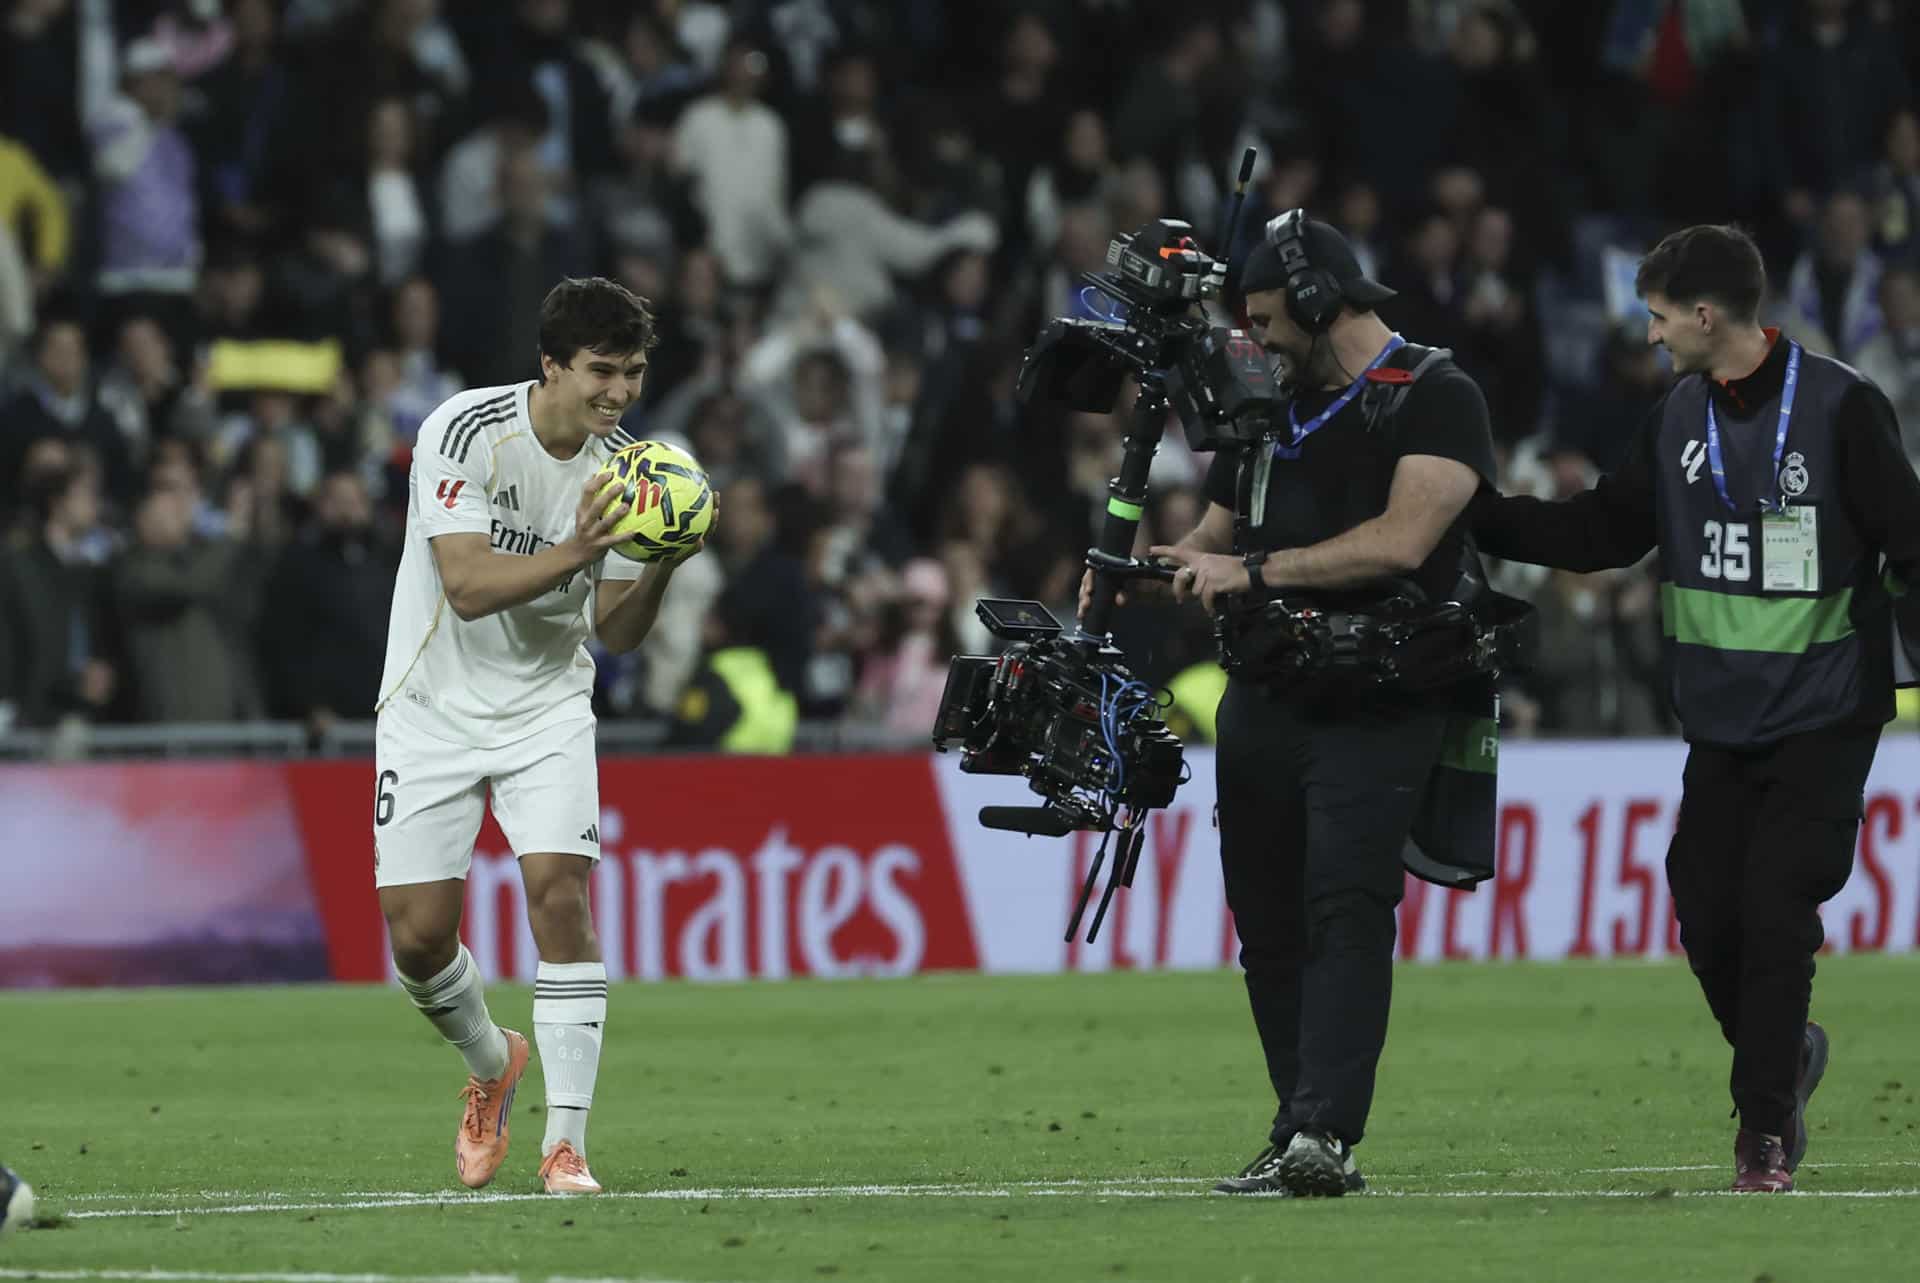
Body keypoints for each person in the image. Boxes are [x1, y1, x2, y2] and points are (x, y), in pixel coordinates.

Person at [1471, 224, 1920, 1192]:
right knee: (1703, 909)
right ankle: (1787, 1052)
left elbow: (1912, 540)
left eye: (1661, 315)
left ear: (1709, 314)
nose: (1653, 333)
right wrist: (1478, 510)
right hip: (1720, 719)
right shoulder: (1677, 414)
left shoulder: (1844, 407)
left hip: (1824, 710)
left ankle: (1763, 1130)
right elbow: (1604, 530)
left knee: (1775, 907)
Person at [1083, 212, 1499, 1196]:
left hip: (1381, 690)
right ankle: (1296, 1123)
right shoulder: (1266, 408)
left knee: (1346, 903)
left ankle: (1326, 1130)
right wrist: (1148, 566)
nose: (1256, 340)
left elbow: (1401, 541)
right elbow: (1215, 533)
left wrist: (1250, 569)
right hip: (1265, 692)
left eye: (1267, 319)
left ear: (1320, 302)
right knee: (1266, 920)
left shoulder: (1436, 396)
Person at [373, 277, 707, 1197]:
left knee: (561, 896)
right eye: (602, 371)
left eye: (634, 373)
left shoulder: (635, 470)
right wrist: (584, 546)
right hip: (431, 704)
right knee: (417, 939)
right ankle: (492, 1062)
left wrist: (663, 564)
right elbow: (470, 584)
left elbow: (615, 628)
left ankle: (567, 1145)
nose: (618, 393)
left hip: (548, 706)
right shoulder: (463, 430)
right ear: (552, 364)